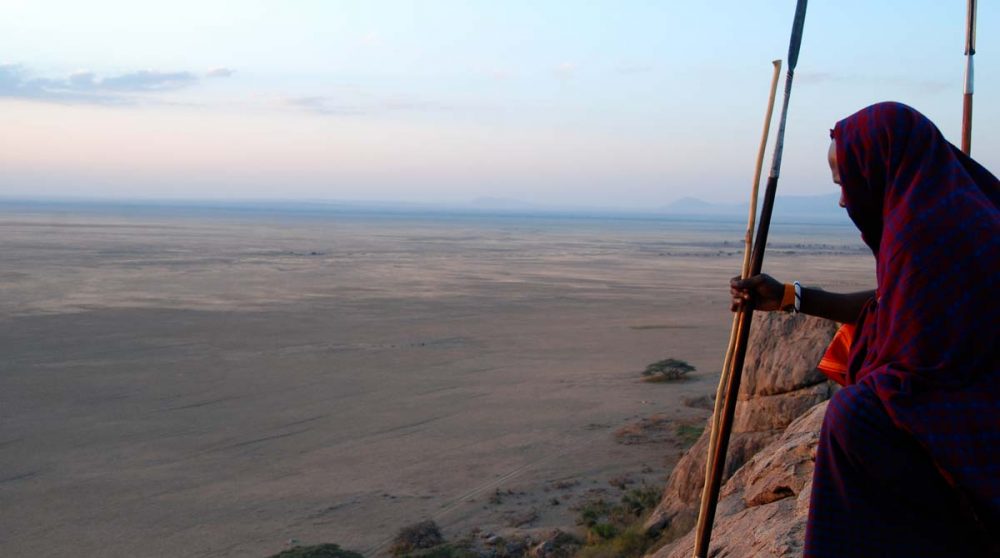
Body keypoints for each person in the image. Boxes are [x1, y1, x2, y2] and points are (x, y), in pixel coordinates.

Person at [730, 102, 999, 557]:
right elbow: (893, 305)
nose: (842, 200)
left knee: (853, 419)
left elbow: (916, 369)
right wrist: (789, 297)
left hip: (980, 414)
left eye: (845, 182)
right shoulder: (948, 205)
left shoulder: (927, 230)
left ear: (880, 166)